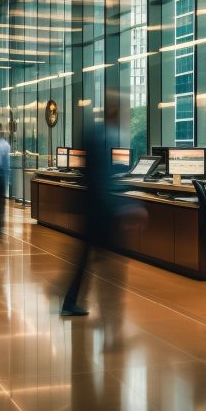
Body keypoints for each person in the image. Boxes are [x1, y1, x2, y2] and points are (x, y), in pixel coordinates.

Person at [59, 131, 116, 317]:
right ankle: (107, 313)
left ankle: (70, 299)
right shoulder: (99, 139)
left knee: (86, 261)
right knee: (98, 263)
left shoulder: (94, 137)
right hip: (98, 215)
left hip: (92, 213)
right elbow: (100, 181)